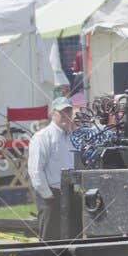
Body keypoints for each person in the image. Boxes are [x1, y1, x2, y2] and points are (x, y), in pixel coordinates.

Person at [27, 97, 76, 241]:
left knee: (72, 239)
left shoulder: (71, 136)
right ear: (53, 114)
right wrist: (48, 195)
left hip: (70, 193)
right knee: (50, 242)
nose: (66, 116)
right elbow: (35, 170)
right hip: (51, 195)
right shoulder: (42, 137)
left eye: (69, 111)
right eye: (62, 112)